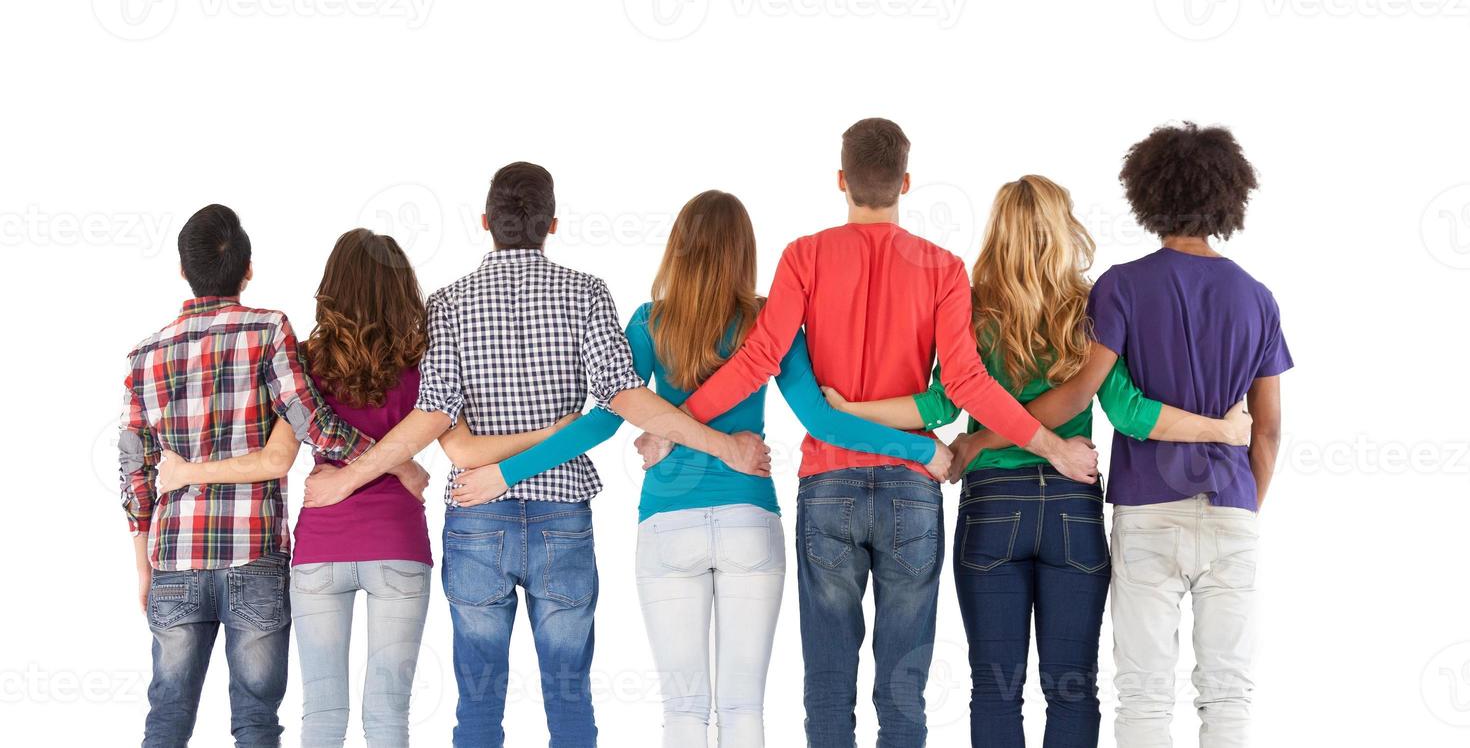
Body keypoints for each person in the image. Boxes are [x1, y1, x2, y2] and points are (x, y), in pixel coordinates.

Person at [299, 164, 773, 748]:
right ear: (552, 224)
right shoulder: (587, 292)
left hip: (475, 517)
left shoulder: (447, 304)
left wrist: (351, 477)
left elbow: (432, 416)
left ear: (484, 224)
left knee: (476, 707)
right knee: (570, 699)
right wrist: (724, 445)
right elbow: (624, 400)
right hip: (563, 520)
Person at [448, 190, 943, 747]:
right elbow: (823, 422)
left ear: (678, 247)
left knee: (683, 711)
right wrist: (924, 449)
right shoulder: (767, 323)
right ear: (744, 252)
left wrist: (506, 473)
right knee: (742, 708)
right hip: (749, 521)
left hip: (667, 527)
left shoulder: (650, 321)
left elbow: (604, 420)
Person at [666, 120, 1100, 747]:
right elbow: (968, 387)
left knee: (827, 687)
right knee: (903, 692)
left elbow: (760, 356)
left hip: (828, 485)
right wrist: (1053, 446)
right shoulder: (943, 268)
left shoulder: (804, 256)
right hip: (911, 491)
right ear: (905, 181)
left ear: (841, 180)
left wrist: (680, 425)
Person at [823, 175, 1251, 748]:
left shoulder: (972, 309)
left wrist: (855, 409)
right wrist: (1222, 431)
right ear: (1061, 229)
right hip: (1072, 510)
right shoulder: (1089, 310)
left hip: (992, 510)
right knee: (1073, 689)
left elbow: (943, 402)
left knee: (995, 690)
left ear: (997, 232)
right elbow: (1127, 410)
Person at [155, 230, 490, 746]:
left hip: (319, 550)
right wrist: (403, 468)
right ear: (404, 288)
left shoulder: (307, 359)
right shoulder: (425, 360)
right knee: (388, 717)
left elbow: (284, 449)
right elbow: (452, 440)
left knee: (323, 716)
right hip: (398, 545)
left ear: (331, 287)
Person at [118, 205, 400, 748]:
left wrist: (143, 567)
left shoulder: (144, 357)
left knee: (167, 716)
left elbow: (135, 473)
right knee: (255, 721)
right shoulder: (270, 330)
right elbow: (311, 422)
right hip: (256, 557)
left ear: (183, 271)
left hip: (174, 558)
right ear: (248, 270)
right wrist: (389, 456)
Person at [1089, 123, 1289, 746]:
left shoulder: (1119, 286)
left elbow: (1111, 397)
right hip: (1231, 506)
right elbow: (1270, 426)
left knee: (1144, 694)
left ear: (1148, 193)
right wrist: (1245, 504)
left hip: (1147, 509)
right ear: (1228, 197)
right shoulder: (1257, 297)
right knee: (1228, 694)